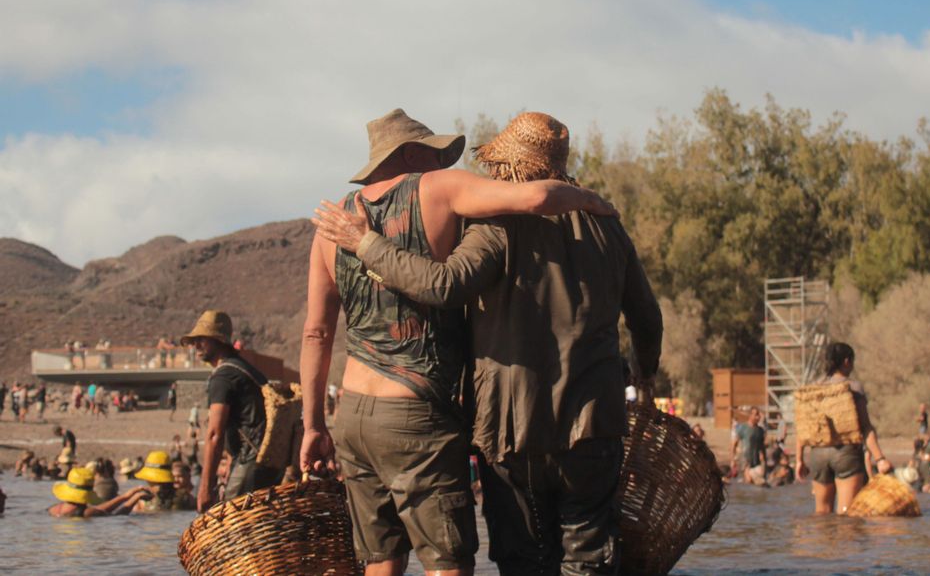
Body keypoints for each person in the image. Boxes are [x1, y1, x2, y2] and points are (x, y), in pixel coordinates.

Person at [308, 111, 661, 575]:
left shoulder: (492, 227)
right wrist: (644, 373)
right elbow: (647, 319)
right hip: (593, 424)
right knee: (588, 557)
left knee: (521, 560)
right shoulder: (606, 225)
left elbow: (439, 286)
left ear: (505, 165)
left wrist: (367, 243)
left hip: (507, 426)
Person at [184, 310, 279, 512]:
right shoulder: (246, 369)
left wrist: (205, 488)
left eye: (202, 339)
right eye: (194, 341)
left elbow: (214, 434)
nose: (196, 345)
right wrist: (229, 463)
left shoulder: (224, 376)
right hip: (269, 460)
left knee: (232, 518)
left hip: (250, 460)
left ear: (219, 341)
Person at [797, 342, 892, 515]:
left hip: (818, 454)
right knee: (846, 514)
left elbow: (803, 428)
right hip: (846, 453)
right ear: (847, 361)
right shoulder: (853, 387)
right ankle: (845, 534)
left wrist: (799, 460)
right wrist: (880, 459)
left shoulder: (814, 388)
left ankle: (823, 534)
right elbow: (866, 427)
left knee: (822, 512)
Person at [47, 467, 149, 517]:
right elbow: (117, 516)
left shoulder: (53, 509)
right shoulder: (87, 512)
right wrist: (135, 499)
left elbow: (99, 509)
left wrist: (126, 496)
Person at [732, 408, 768, 485]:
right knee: (748, 481)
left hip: (756, 461)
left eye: (758, 415)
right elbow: (734, 444)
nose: (758, 417)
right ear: (750, 415)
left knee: (758, 482)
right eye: (756, 415)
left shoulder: (760, 430)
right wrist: (733, 460)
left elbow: (762, 447)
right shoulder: (743, 427)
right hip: (745, 460)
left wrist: (764, 461)